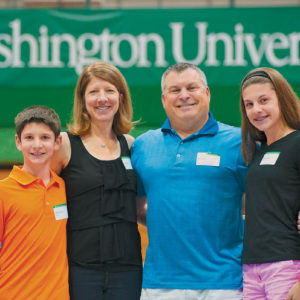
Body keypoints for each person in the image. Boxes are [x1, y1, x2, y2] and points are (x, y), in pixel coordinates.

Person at [131, 62, 247, 300]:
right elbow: (136, 204)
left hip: (224, 283)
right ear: (164, 100)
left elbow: (266, 197)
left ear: (207, 94)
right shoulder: (142, 145)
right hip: (158, 284)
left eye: (192, 87)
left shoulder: (239, 142)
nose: (184, 95)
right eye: (175, 90)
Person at [51, 61, 142, 300]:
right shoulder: (64, 144)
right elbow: (42, 198)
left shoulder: (131, 145)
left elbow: (140, 205)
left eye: (109, 91)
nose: (102, 98)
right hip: (80, 268)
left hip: (128, 268)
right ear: (83, 99)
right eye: (94, 92)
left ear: (120, 98)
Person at [240, 67, 300, 300]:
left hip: (286, 265)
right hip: (252, 267)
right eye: (249, 104)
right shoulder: (257, 151)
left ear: (282, 99)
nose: (257, 109)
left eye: (264, 100)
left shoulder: (297, 143)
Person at [0, 105, 69, 300]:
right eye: (29, 138)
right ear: (18, 142)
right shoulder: (3, 191)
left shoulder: (64, 188)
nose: (37, 145)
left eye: (45, 138)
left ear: (57, 142)